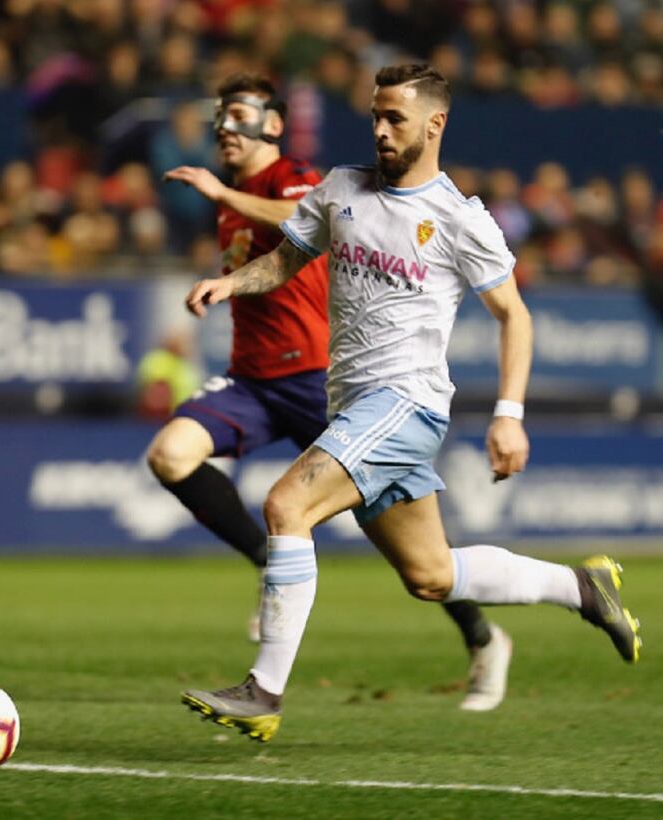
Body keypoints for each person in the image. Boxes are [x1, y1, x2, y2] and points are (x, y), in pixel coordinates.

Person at [179, 64, 642, 743]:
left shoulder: (460, 219)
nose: (380, 130)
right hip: (355, 407)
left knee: (286, 505)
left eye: (394, 117)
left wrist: (509, 415)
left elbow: (514, 315)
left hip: (407, 404)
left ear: (435, 124)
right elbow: (283, 263)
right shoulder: (341, 189)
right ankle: (583, 589)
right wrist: (232, 285)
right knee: (432, 575)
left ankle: (264, 689)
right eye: (374, 115)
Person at [147, 72, 512, 712]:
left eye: (238, 115)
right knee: (171, 453)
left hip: (322, 380)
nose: (224, 129)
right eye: (219, 118)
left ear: (273, 125)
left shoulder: (294, 178)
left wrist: (221, 189)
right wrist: (223, 277)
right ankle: (269, 564)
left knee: (412, 550)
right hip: (255, 378)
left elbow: (298, 216)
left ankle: (479, 633)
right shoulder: (233, 198)